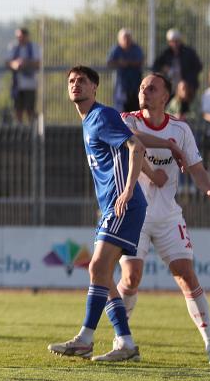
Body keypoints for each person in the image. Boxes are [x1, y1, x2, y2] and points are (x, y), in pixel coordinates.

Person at [117, 73, 210, 365]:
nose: (144, 91)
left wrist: (209, 189)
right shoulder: (128, 120)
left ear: (165, 96)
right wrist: (169, 147)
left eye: (152, 88)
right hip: (134, 215)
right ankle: (121, 340)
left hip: (167, 216)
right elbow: (133, 139)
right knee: (131, 277)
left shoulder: (180, 129)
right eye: (141, 87)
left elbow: (196, 167)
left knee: (187, 276)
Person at [48, 65, 147, 362]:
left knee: (97, 269)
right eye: (71, 81)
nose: (75, 85)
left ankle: (85, 339)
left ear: (95, 88)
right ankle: (125, 343)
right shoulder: (88, 120)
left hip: (123, 204)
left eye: (82, 81)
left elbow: (136, 145)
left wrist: (129, 190)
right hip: (112, 206)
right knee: (103, 274)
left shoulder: (102, 115)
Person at [152, 29, 203, 103]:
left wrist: (187, 81)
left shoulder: (188, 52)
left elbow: (198, 66)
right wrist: (164, 69)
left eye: (177, 41)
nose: (175, 44)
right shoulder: (166, 53)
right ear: (169, 42)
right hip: (171, 89)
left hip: (186, 90)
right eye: (172, 41)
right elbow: (155, 66)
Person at [6, 28, 40, 124]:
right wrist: (15, 64)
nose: (19, 39)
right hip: (17, 84)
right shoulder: (13, 46)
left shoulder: (34, 47)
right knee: (18, 109)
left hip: (30, 84)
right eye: (18, 37)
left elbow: (38, 63)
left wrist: (26, 63)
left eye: (21, 36)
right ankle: (19, 129)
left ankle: (32, 129)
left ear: (26, 36)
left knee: (30, 109)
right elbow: (7, 62)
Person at [107, 28, 144, 112]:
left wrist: (127, 63)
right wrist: (120, 63)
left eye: (128, 38)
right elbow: (109, 62)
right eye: (124, 38)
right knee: (121, 114)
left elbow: (140, 61)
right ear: (119, 40)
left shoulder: (136, 48)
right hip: (121, 89)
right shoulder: (116, 49)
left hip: (135, 87)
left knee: (135, 112)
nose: (126, 40)